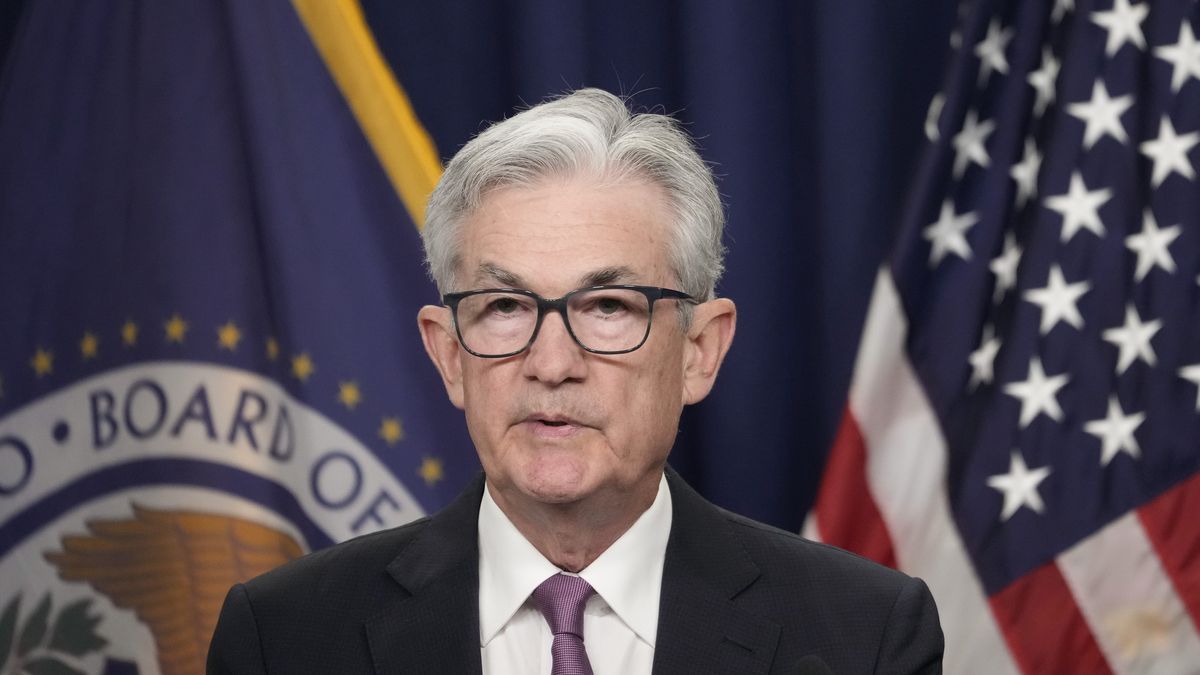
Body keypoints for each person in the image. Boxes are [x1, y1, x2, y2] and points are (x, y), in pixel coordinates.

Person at [207, 88, 943, 674]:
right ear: (449, 354)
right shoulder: (285, 636)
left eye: (608, 307)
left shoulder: (863, 635)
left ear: (699, 350)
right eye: (504, 307)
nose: (552, 362)